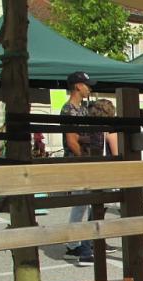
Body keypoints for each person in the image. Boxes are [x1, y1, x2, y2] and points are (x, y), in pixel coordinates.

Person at [61, 71, 97, 267]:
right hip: (77, 161)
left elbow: (81, 136)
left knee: (86, 202)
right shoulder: (69, 110)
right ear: (77, 86)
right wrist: (84, 158)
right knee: (82, 202)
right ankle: (77, 244)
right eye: (86, 85)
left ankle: (81, 241)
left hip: (84, 159)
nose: (89, 88)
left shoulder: (82, 109)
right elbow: (71, 141)